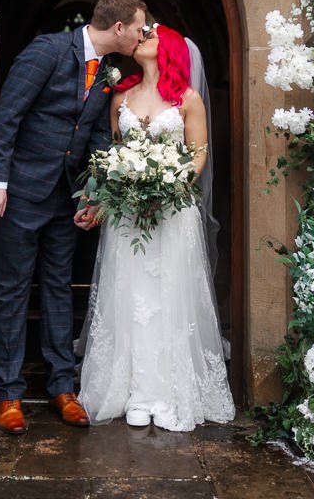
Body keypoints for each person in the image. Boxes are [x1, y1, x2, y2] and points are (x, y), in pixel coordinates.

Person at [0, 0, 148, 435]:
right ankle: (9, 394)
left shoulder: (108, 73)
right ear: (118, 28)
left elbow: (94, 133)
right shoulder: (48, 51)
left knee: (57, 287)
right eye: (138, 28)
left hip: (65, 199)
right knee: (13, 290)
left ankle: (62, 388)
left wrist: (93, 195)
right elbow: (8, 117)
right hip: (19, 193)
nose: (141, 35)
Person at [77, 23, 235, 432]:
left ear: (169, 49)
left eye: (151, 34)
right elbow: (113, 152)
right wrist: (120, 187)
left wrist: (168, 184)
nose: (142, 37)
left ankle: (166, 392)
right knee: (130, 295)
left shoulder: (188, 99)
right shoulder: (120, 97)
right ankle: (133, 390)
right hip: (129, 214)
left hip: (171, 211)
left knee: (168, 297)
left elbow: (199, 154)